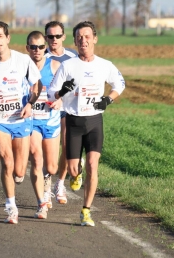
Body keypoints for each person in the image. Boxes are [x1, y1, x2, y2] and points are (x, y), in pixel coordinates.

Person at [48, 21, 125, 226]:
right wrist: (62, 91)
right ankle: (76, 171)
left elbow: (120, 83)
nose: (83, 40)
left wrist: (108, 99)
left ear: (95, 39)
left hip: (94, 122)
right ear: (74, 40)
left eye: (87, 36)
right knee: (73, 170)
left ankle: (86, 210)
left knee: (93, 165)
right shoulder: (68, 65)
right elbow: (51, 92)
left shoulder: (104, 65)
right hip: (73, 121)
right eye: (79, 37)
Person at [0, 21, 42, 224]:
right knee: (7, 162)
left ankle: (14, 184)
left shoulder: (23, 61)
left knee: (20, 170)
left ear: (8, 38)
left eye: (0, 36)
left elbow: (36, 86)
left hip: (20, 118)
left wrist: (30, 103)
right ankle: (11, 207)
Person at [25, 31, 62, 219]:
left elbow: (67, 90)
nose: (37, 50)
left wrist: (61, 101)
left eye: (40, 47)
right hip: (32, 123)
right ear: (27, 49)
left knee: (52, 167)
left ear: (45, 48)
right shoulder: (22, 68)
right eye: (33, 47)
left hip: (51, 121)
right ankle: (41, 203)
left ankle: (48, 182)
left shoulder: (54, 66)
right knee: (37, 160)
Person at [44, 21, 79, 205]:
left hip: (67, 108)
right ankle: (46, 187)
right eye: (50, 36)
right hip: (46, 110)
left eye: (58, 36)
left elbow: (78, 79)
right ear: (46, 38)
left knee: (67, 146)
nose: (54, 40)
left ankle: (60, 183)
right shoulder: (41, 55)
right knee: (49, 152)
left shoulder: (72, 56)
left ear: (64, 37)